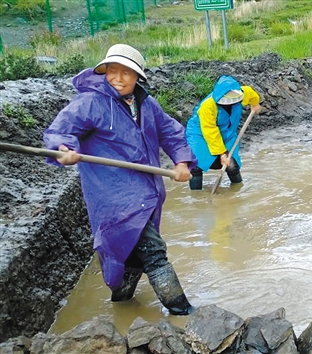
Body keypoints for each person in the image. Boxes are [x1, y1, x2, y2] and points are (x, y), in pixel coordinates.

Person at [43, 44, 197, 315]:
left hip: (149, 193)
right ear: (104, 72)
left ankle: (122, 307)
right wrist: (63, 150)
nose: (117, 78)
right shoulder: (90, 102)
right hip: (115, 198)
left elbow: (172, 133)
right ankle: (183, 313)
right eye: (112, 71)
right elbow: (60, 130)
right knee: (153, 251)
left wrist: (182, 162)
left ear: (138, 77)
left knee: (131, 255)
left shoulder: (147, 104)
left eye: (126, 73)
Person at [185, 75, 262, 190]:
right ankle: (196, 196)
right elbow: (210, 131)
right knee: (196, 165)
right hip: (200, 133)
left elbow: (251, 94)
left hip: (227, 132)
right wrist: (221, 153)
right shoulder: (207, 107)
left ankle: (237, 190)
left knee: (231, 164)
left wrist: (255, 104)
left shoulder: (242, 93)